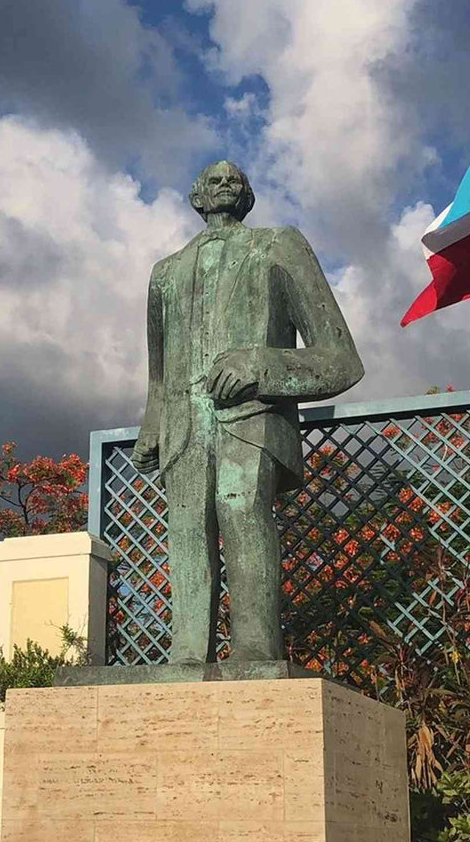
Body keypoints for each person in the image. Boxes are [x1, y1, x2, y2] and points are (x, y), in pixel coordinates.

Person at [131, 160, 364, 665]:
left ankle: (256, 650)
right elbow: (158, 367)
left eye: (234, 178)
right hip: (183, 425)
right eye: (213, 178)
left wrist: (259, 365)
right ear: (196, 196)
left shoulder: (277, 245)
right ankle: (186, 655)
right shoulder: (165, 272)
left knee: (241, 512)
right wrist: (153, 422)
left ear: (248, 195)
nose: (224, 181)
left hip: (252, 417)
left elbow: (341, 359)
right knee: (187, 528)